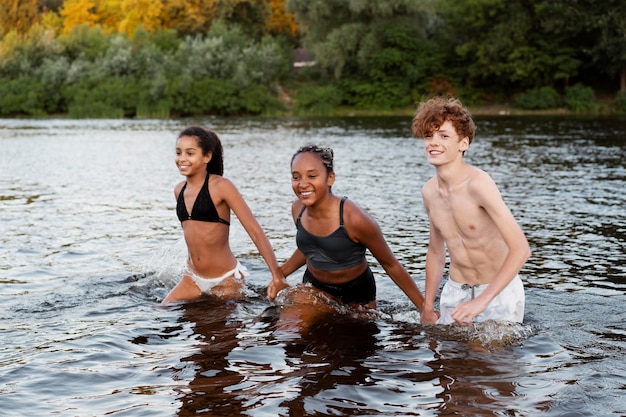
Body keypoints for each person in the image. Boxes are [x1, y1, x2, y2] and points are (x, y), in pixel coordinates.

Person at [411, 97, 531, 326]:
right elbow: (436, 252)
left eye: (444, 136)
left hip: (497, 293)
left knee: (491, 358)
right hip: (456, 292)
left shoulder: (479, 184)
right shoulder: (429, 192)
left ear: (463, 143)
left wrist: (482, 301)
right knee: (452, 359)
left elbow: (521, 249)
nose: (433, 142)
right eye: (429, 135)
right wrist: (427, 306)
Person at [266, 145, 426, 316]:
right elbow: (312, 248)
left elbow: (390, 265)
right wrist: (280, 275)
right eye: (296, 177)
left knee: (351, 339)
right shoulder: (298, 210)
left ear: (330, 178)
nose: (303, 184)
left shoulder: (355, 219)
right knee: (290, 333)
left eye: (312, 176)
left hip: (357, 295)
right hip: (315, 287)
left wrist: (424, 308)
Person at [162, 126, 284, 303]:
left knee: (218, 326)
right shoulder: (179, 190)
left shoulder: (222, 187)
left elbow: (255, 231)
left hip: (225, 279)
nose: (182, 159)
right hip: (192, 279)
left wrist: (277, 276)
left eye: (190, 153)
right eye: (178, 152)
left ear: (207, 156)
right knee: (161, 312)